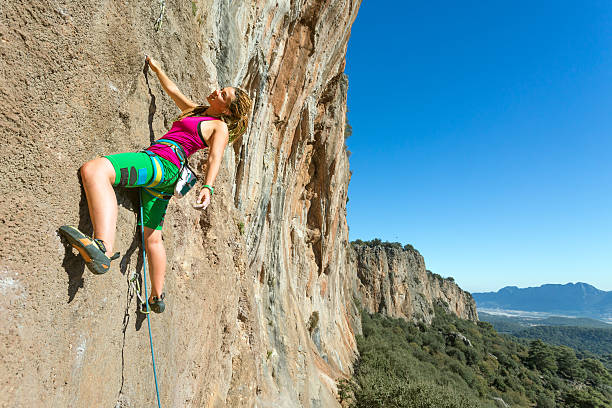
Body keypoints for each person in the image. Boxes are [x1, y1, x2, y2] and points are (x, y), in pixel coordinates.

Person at [60, 56, 253, 313]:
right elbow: (173, 90)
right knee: (152, 237)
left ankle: (102, 248)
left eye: (223, 94)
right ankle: (157, 296)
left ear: (226, 110)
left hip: (161, 164)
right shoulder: (197, 111)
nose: (217, 91)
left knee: (95, 170)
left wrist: (208, 187)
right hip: (164, 180)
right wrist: (157, 68)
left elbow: (216, 156)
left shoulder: (219, 127)